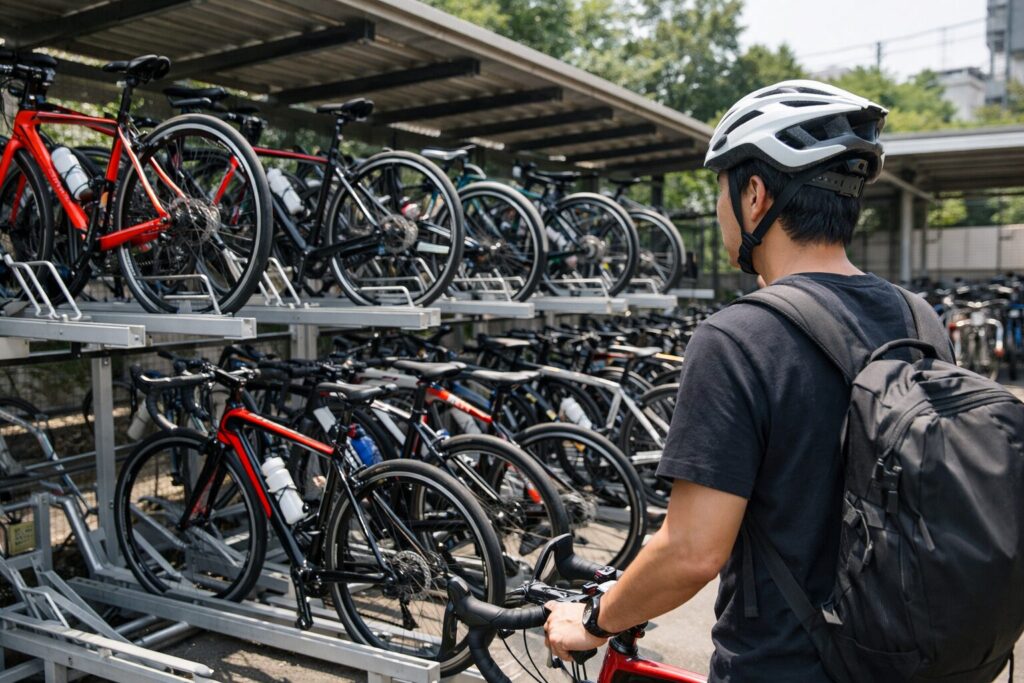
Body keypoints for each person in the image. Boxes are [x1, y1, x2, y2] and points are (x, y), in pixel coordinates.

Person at [544, 80, 902, 681]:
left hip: (784, 665)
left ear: (755, 195)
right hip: (904, 655)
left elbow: (691, 552)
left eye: (722, 191)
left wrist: (593, 619)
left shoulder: (739, 338)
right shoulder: (916, 318)